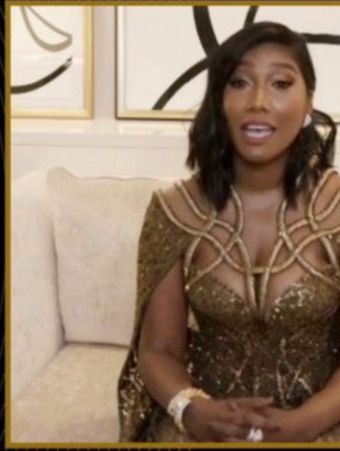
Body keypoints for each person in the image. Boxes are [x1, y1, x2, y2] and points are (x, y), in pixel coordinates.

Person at [118, 22, 340, 442]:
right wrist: (191, 409)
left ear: (308, 101)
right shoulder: (174, 210)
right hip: (208, 421)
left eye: (280, 83)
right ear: (220, 100)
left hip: (323, 417)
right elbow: (158, 350)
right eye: (239, 82)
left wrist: (301, 425)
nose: (258, 101)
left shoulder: (336, 208)